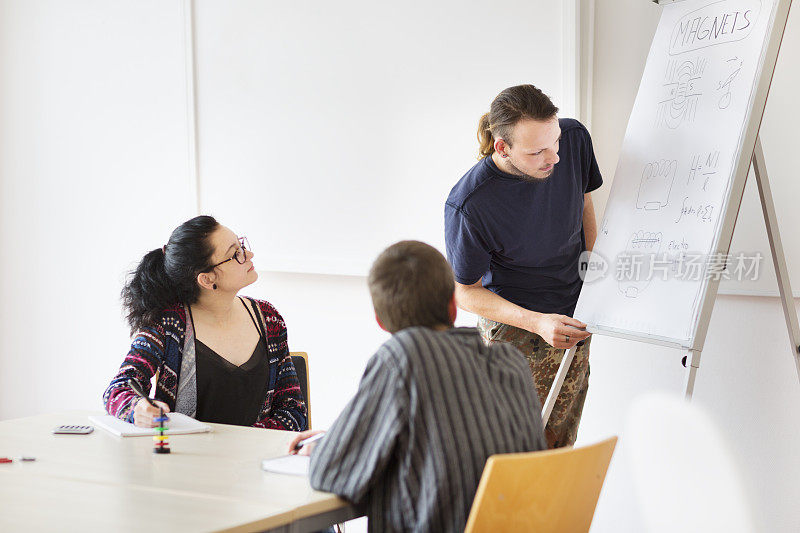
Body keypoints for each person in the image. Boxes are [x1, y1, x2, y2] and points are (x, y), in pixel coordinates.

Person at [288, 241, 546, 533]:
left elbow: (331, 472)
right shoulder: (511, 362)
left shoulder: (403, 357)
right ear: (453, 306)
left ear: (380, 321)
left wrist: (325, 446)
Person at [444, 84, 603, 448]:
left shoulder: (575, 138)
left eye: (555, 142)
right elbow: (465, 292)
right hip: (514, 329)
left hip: (573, 317)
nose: (554, 158)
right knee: (510, 451)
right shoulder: (470, 204)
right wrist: (537, 321)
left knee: (559, 446)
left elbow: (583, 201)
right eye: (537, 152)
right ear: (503, 148)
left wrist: (592, 269)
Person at [103, 215, 307, 430]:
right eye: (235, 254)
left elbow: (293, 410)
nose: (248, 255)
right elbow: (118, 389)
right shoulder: (169, 325)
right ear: (207, 279)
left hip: (256, 459)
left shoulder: (269, 318)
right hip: (187, 459)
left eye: (242, 246)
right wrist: (137, 409)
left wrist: (243, 444)